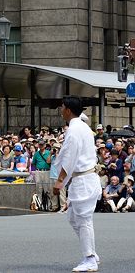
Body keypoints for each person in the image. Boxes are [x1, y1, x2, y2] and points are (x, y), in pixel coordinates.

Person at [53, 96, 102, 272]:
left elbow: (70, 157)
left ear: (68, 110)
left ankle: (89, 258)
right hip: (82, 179)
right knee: (74, 218)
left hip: (83, 180)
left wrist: (59, 181)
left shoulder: (75, 129)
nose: (60, 109)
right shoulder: (81, 126)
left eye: (62, 107)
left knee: (83, 220)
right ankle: (91, 254)